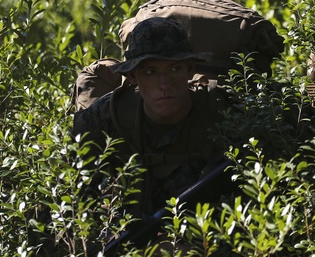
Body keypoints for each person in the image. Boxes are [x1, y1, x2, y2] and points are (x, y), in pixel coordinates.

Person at [72, 16, 232, 218]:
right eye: (150, 72)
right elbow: (74, 199)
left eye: (174, 69)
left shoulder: (221, 111)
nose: (164, 83)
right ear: (132, 77)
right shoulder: (103, 118)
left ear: (190, 69)